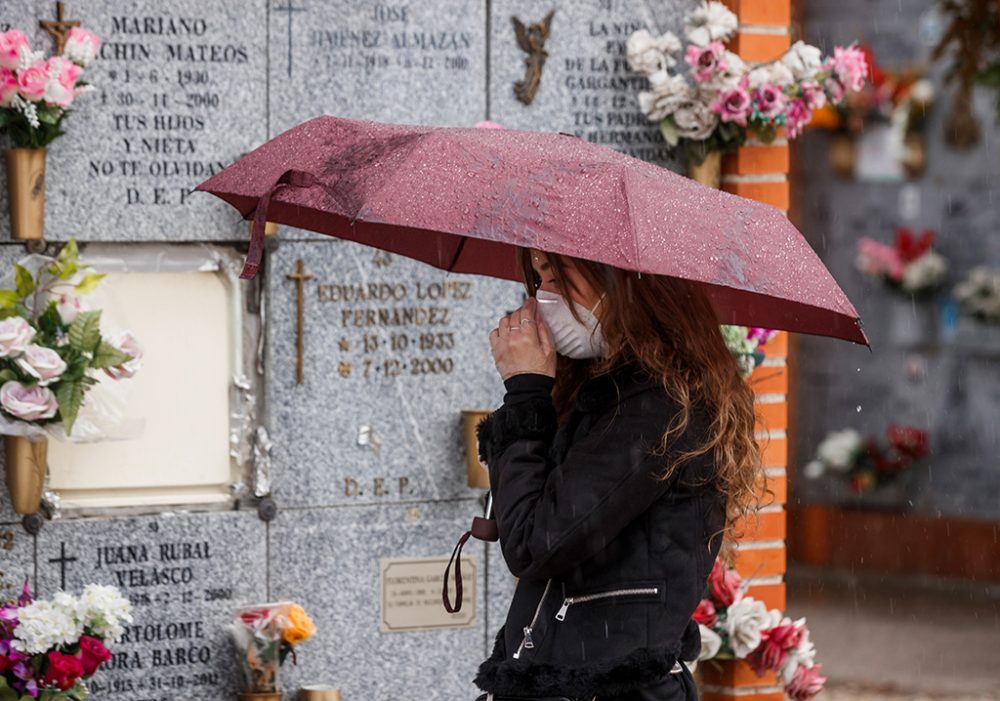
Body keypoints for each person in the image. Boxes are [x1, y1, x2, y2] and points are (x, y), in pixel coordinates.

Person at [472, 249, 765, 701]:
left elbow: (535, 542)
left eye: (557, 279)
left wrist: (526, 392)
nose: (542, 299)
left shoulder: (656, 407)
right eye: (538, 279)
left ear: (621, 282)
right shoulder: (610, 389)